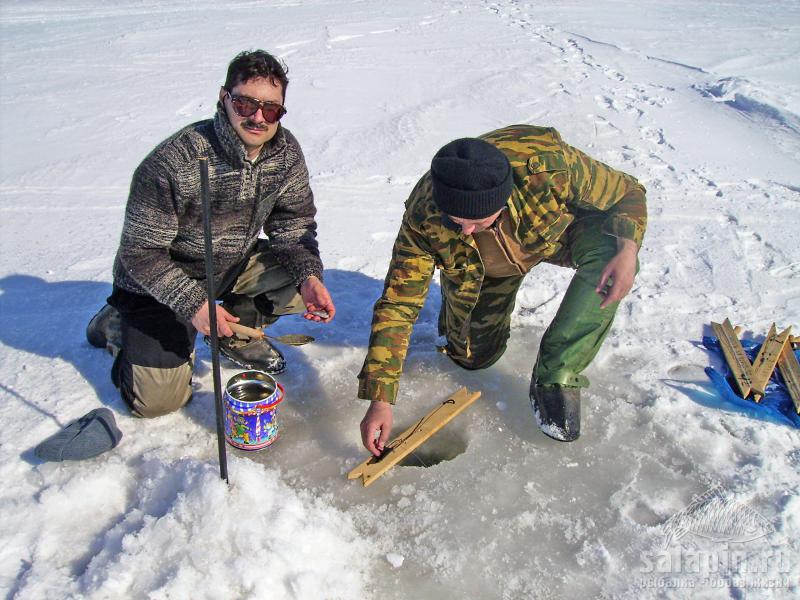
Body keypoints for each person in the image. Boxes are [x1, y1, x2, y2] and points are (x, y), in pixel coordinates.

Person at [358, 124, 646, 453]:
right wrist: (380, 399)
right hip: (482, 268)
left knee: (613, 252)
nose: (465, 230)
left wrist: (627, 248)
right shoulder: (424, 215)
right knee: (474, 359)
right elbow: (398, 304)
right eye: (455, 221)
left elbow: (628, 193)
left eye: (477, 221)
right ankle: (457, 314)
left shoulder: (548, 168)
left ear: (503, 198)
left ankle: (556, 373)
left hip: (552, 237)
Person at [86, 50, 335, 418]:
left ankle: (237, 334)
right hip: (158, 282)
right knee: (158, 403)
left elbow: (292, 225)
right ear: (224, 98)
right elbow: (140, 253)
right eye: (246, 103)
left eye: (271, 109)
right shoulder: (174, 162)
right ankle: (118, 324)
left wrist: (309, 277)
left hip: (228, 264)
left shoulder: (285, 153)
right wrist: (194, 306)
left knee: (295, 285)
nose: (257, 117)